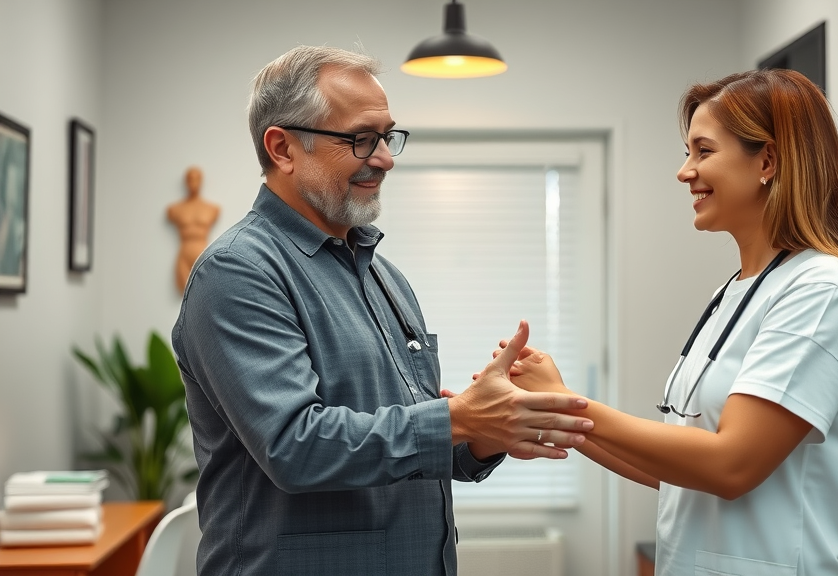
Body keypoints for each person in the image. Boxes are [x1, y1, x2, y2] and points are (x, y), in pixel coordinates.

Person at [170, 45, 593, 576]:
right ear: (282, 148)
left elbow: (414, 439)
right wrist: (457, 418)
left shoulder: (382, 274)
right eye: (361, 139)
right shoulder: (238, 272)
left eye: (388, 136)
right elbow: (295, 446)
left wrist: (487, 430)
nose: (386, 158)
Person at [498, 69, 838, 576]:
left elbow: (731, 464)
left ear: (767, 160)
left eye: (703, 151)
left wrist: (571, 404)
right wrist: (557, 408)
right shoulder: (734, 292)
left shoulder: (824, 290)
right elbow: (682, 470)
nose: (685, 171)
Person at [166, 166, 220, 293]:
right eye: (190, 179)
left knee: (204, 295)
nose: (193, 183)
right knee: (185, 297)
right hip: (184, 253)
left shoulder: (212, 209)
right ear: (185, 182)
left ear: (201, 181)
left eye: (196, 179)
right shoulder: (175, 209)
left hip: (203, 252)